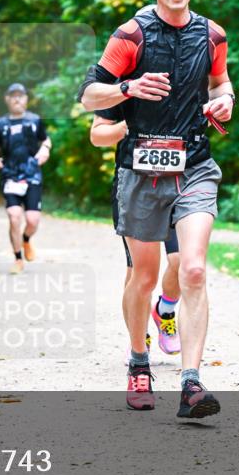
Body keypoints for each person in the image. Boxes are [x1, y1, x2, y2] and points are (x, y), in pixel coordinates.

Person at [79, 0, 233, 414]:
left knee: (192, 268)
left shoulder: (212, 35)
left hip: (195, 164)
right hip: (141, 170)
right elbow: (89, 97)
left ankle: (191, 383)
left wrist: (225, 99)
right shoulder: (131, 35)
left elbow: (220, 82)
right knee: (143, 276)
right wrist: (128, 87)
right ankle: (138, 361)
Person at [89, 95, 182, 362]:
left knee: (182, 261)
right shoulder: (124, 81)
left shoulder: (185, 70)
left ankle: (165, 311)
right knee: (139, 274)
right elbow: (97, 135)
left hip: (176, 184)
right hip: (134, 187)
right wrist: (128, 126)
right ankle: (139, 343)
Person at [0, 83, 52, 274]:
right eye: (13, 96)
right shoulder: (0, 124)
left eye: (20, 96)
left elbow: (46, 140)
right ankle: (18, 259)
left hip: (32, 174)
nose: (17, 99)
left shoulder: (35, 120)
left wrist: (45, 150)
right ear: (6, 99)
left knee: (32, 220)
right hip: (10, 175)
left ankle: (26, 241)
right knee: (14, 215)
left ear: (26, 99)